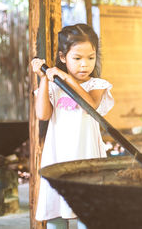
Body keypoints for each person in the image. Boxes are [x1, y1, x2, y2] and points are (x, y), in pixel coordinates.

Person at [31, 24, 114, 229]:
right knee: (57, 206)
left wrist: (66, 77)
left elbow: (90, 105)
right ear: (62, 57)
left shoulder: (97, 85)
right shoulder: (54, 86)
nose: (84, 65)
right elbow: (43, 114)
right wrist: (43, 79)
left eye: (90, 58)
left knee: (88, 207)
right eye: (77, 58)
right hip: (59, 154)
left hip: (86, 154)